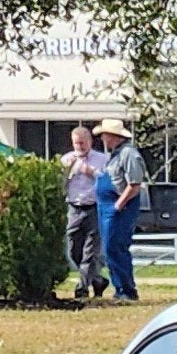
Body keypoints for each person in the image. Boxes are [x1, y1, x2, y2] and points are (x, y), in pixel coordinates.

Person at [97, 119, 148, 303]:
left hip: (119, 207)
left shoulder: (129, 154)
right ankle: (119, 289)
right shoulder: (115, 155)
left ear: (114, 136)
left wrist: (118, 205)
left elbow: (134, 184)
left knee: (116, 247)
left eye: (105, 135)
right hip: (107, 207)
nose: (102, 138)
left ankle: (126, 291)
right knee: (110, 249)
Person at [60, 123, 104, 301]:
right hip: (74, 208)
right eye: (76, 144)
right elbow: (59, 185)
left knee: (90, 252)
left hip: (93, 207)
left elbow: (107, 181)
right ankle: (98, 280)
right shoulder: (67, 159)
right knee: (73, 250)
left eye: (82, 143)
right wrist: (66, 172)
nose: (79, 147)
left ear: (90, 142)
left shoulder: (101, 159)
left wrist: (90, 172)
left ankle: (82, 289)